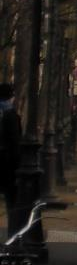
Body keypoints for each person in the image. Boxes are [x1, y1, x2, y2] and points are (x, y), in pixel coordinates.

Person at [0, 83, 22, 234]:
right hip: (6, 163)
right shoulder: (9, 114)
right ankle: (13, 235)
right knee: (12, 201)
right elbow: (14, 142)